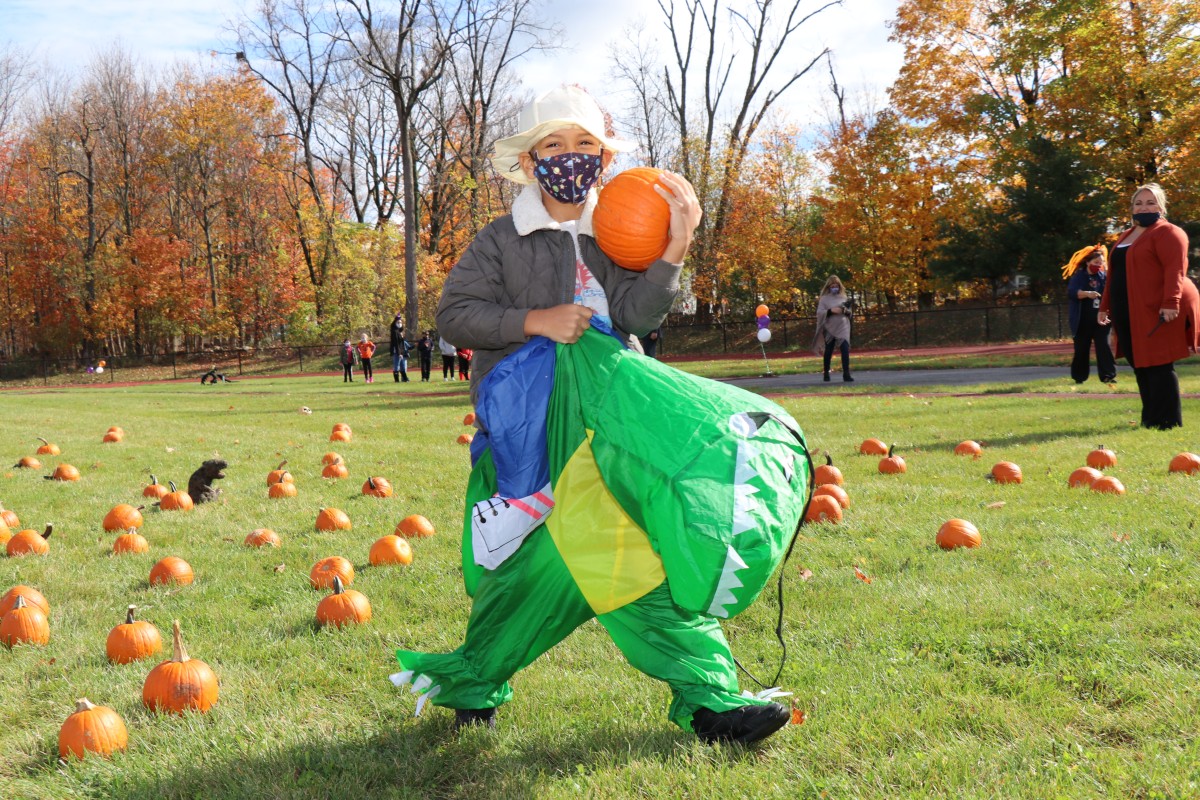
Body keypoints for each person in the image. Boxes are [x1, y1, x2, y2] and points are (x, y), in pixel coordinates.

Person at [396, 85, 800, 746]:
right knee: (528, 577)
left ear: (604, 158)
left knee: (637, 559)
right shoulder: (502, 241)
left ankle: (712, 699)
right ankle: (475, 678)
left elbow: (639, 317)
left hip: (611, 436)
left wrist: (673, 248)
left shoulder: (613, 236)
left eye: (585, 144)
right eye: (553, 145)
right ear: (528, 163)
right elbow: (453, 317)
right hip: (531, 438)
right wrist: (534, 321)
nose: (570, 157)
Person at [1098, 183, 1200, 429]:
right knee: (1139, 363)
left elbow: (1175, 270)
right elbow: (1114, 275)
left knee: (1158, 363)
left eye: (1151, 202)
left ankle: (1168, 421)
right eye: (1139, 203)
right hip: (1127, 310)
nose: (1144, 207)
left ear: (1161, 207)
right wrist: (1105, 306)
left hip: (1156, 308)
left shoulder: (1169, 233)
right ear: (1132, 207)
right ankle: (1150, 418)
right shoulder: (1126, 235)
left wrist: (1170, 302)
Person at [1063, 244, 1116, 384]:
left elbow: (1111, 293)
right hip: (1082, 320)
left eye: (1101, 263)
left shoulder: (1104, 276)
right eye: (1095, 263)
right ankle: (1079, 377)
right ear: (1088, 262)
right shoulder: (1079, 276)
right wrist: (1087, 294)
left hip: (1101, 319)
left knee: (1104, 346)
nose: (1098, 265)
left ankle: (1108, 376)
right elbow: (1072, 293)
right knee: (1081, 349)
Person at [812, 276, 854, 382]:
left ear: (840, 286)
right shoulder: (824, 299)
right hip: (829, 328)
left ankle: (846, 374)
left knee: (845, 349)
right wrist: (831, 311)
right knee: (829, 350)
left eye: (836, 285)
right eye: (832, 286)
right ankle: (826, 372)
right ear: (829, 287)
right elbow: (820, 312)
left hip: (843, 327)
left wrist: (846, 310)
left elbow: (850, 312)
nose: (835, 287)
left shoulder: (843, 297)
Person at [389, 314, 412, 383]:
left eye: (400, 322)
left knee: (402, 365)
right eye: (398, 322)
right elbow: (396, 343)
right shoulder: (394, 332)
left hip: (401, 350)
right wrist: (399, 353)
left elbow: (401, 343)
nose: (400, 324)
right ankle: (397, 380)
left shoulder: (399, 331)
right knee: (397, 365)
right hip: (397, 351)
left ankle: (405, 378)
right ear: (395, 323)